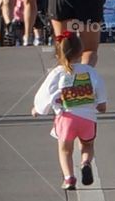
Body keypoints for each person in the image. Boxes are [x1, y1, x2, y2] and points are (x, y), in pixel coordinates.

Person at [32, 32, 107, 189]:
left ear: (58, 53)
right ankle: (85, 162)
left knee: (65, 150)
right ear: (81, 52)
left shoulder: (58, 72)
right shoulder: (90, 71)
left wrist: (38, 108)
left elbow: (46, 93)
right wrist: (101, 105)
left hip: (66, 118)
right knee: (87, 145)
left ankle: (69, 178)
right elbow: (100, 90)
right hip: (87, 119)